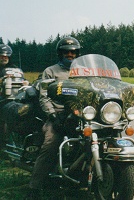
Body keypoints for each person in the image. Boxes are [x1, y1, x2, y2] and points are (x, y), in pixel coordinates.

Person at [27, 36, 81, 199]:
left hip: (79, 115)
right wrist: (53, 116)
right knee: (51, 144)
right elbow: (44, 96)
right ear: (60, 53)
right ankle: (34, 188)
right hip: (57, 115)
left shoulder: (82, 72)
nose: (70, 55)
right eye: (66, 52)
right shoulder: (51, 71)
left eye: (72, 52)